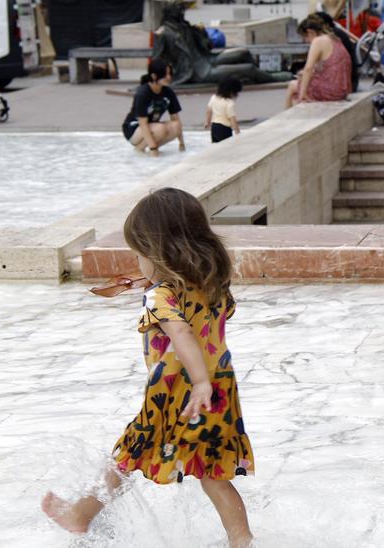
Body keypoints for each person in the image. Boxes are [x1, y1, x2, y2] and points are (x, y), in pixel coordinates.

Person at [41, 188, 255, 546]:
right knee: (213, 472)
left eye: (138, 255)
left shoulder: (161, 297)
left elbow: (182, 332)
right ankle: (242, 539)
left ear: (157, 254)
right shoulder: (211, 284)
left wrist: (197, 381)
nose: (137, 262)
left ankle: (80, 515)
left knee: (128, 454)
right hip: (220, 390)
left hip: (177, 392)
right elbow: (201, 321)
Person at [285, 14, 352, 108]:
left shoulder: (318, 41)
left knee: (292, 86)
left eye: (305, 37)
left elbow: (308, 68)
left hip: (332, 92)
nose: (306, 41)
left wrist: (302, 95)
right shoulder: (335, 39)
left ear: (310, 32)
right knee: (300, 85)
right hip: (342, 91)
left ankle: (286, 119)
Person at [123, 59, 185, 157]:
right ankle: (139, 149)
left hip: (152, 126)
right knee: (161, 129)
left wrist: (182, 143)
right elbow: (143, 123)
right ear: (154, 76)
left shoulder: (168, 92)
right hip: (134, 129)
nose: (169, 77)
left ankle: (146, 148)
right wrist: (153, 148)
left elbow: (175, 118)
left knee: (176, 126)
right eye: (165, 74)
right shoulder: (143, 93)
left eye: (170, 74)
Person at [205, 76, 242, 144]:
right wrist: (237, 132)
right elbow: (232, 119)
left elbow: (209, 111)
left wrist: (207, 122)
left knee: (215, 146)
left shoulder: (213, 98)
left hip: (214, 127)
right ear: (232, 91)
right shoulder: (229, 103)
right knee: (226, 147)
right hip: (224, 129)